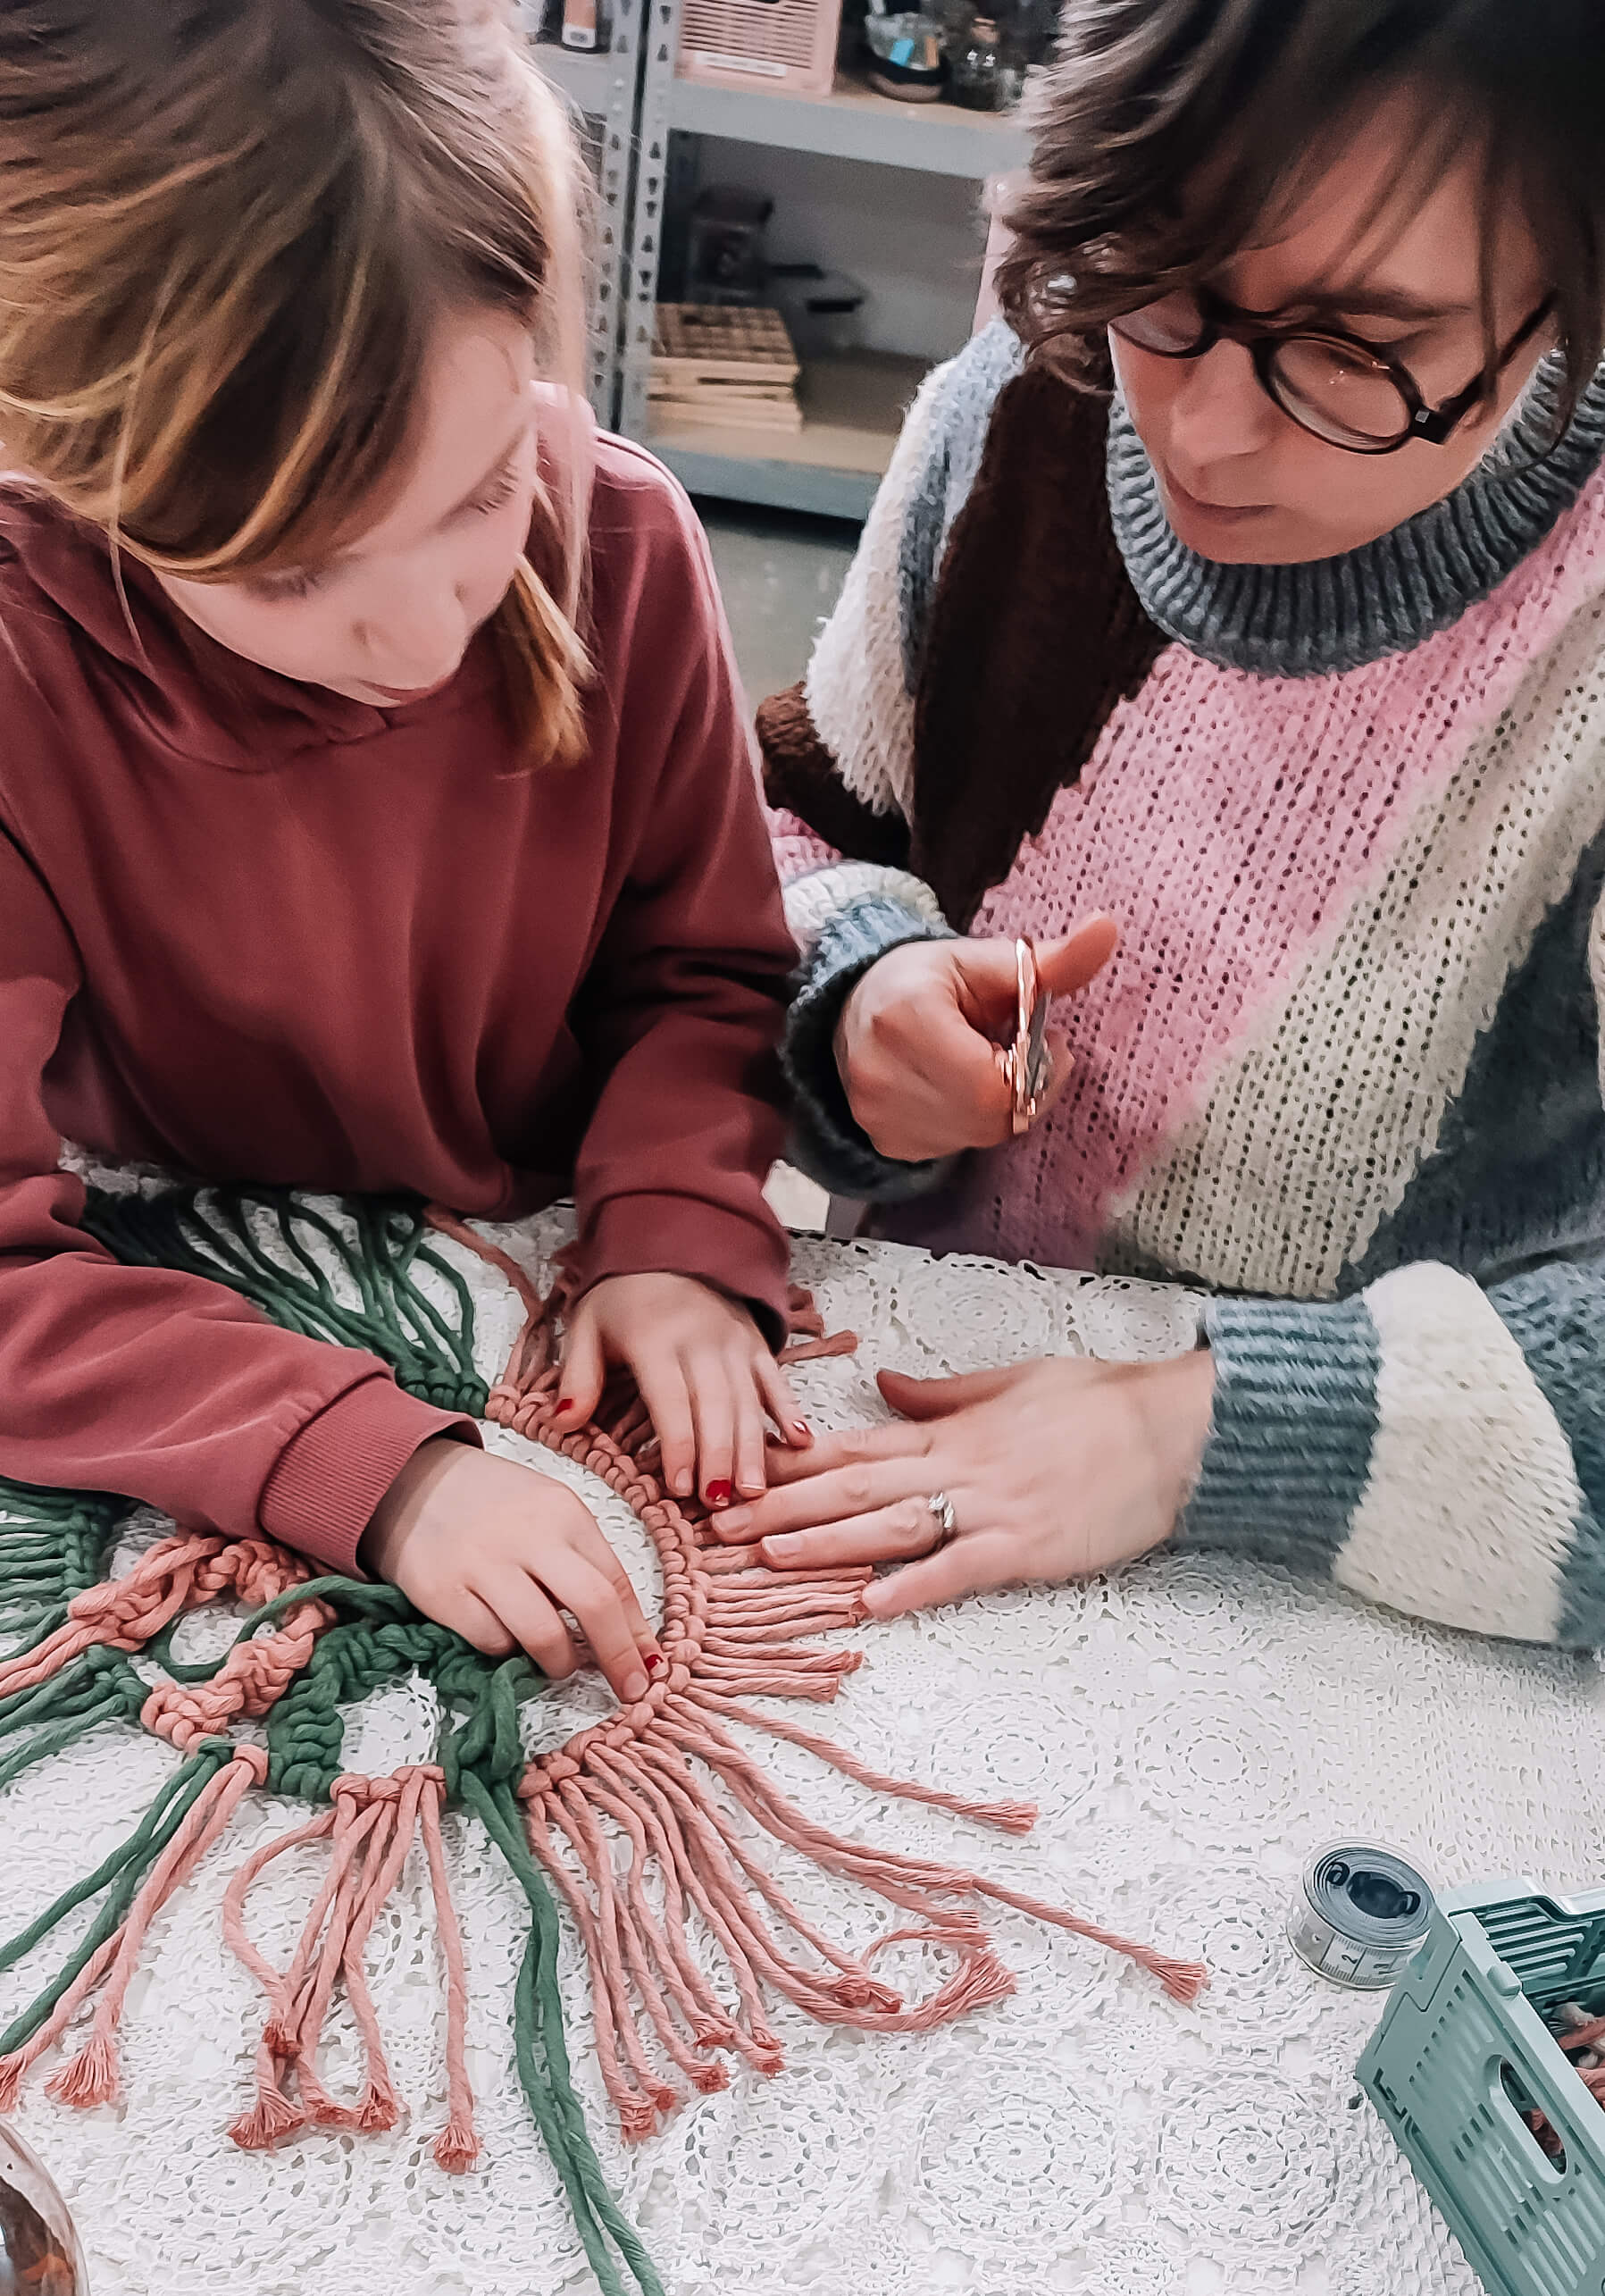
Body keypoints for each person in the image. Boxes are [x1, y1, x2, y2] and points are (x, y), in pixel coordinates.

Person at [741, 0, 1605, 1647]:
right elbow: (780, 824)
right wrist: (854, 993)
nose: (1199, 428)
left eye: (1360, 350)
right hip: (924, 1433)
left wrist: (1200, 1429)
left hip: (1364, 1619)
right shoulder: (1038, 387)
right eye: (1155, 277)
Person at [0, 0, 811, 1705]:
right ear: (78, 481)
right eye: (292, 571)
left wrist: (670, 1213)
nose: (428, 620)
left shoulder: (625, 540)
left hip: (538, 1232)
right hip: (207, 1267)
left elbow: (710, 967)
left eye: (472, 494)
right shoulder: (22, 665)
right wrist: (377, 1465)